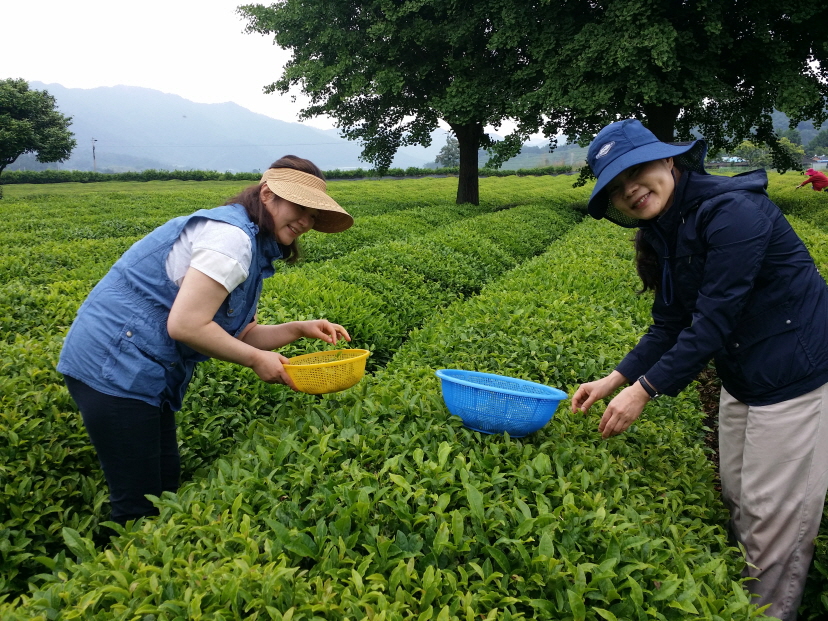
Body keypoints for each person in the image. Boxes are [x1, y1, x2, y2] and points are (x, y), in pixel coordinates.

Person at [570, 119, 828, 621]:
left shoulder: (733, 212)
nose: (631, 190)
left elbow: (712, 321)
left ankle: (770, 613)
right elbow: (669, 324)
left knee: (771, 515)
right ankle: (740, 599)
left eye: (637, 171)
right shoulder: (666, 228)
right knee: (737, 495)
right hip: (744, 372)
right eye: (618, 188)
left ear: (668, 160)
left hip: (795, 373)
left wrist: (645, 390)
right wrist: (615, 380)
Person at [58, 155, 354, 525]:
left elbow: (242, 333)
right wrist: (254, 361)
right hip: (114, 362)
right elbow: (187, 325)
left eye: (313, 215)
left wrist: (298, 328)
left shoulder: (251, 241)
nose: (306, 222)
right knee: (140, 506)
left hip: (144, 366)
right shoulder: (230, 238)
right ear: (267, 194)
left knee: (164, 487)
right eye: (300, 207)